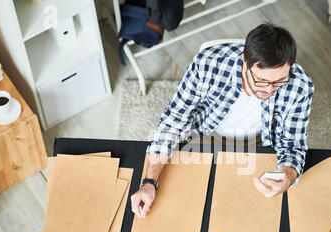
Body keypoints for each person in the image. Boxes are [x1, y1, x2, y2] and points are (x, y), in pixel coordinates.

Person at [131, 23, 314, 218]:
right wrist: (149, 182)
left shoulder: (300, 86)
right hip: (207, 133)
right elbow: (173, 120)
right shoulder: (208, 63)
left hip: (264, 142)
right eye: (261, 81)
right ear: (245, 61)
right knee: (189, 202)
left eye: (278, 82)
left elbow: (293, 146)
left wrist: (287, 177)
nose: (269, 90)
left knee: (251, 212)